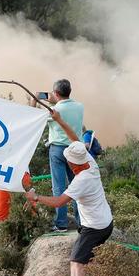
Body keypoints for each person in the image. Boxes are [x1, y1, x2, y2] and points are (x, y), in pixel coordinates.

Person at [25, 110, 112, 276]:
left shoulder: (82, 180)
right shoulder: (90, 163)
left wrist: (36, 198)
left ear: (75, 164)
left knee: (75, 261)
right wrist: (59, 120)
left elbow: (59, 202)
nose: (69, 166)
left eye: (70, 163)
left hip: (95, 227)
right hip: (104, 222)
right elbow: (75, 140)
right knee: (87, 260)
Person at [44, 79, 84, 232]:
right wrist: (56, 101)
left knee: (59, 187)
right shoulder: (80, 106)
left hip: (58, 150)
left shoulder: (54, 110)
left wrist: (41, 102)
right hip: (75, 150)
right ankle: (82, 222)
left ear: (56, 93)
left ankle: (61, 224)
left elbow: (36, 116)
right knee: (78, 186)